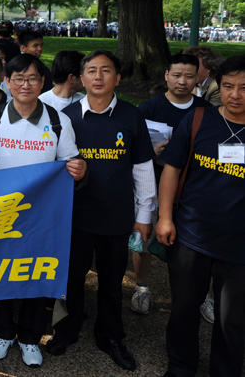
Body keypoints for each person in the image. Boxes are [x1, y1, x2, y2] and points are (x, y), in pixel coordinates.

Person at [48, 50, 156, 371]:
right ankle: (66, 329)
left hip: (116, 216)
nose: (98, 77)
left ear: (117, 78)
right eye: (91, 71)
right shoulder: (65, 116)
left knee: (111, 281)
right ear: (80, 79)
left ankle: (110, 335)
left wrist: (144, 217)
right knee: (71, 278)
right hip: (75, 216)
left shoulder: (131, 115)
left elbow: (142, 167)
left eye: (106, 70)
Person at [0, 54, 86, 369]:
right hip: (2, 214)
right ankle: (2, 331)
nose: (25, 85)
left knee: (36, 273)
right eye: (18, 79)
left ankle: (29, 336)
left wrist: (81, 169)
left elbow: (71, 162)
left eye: (33, 79)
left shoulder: (58, 120)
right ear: (7, 82)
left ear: (42, 83)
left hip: (43, 215)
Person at [157, 54, 245, 377]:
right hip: (191, 236)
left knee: (231, 318)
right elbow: (172, 169)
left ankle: (226, 370)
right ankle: (181, 366)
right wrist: (165, 218)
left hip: (238, 246)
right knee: (183, 308)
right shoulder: (198, 120)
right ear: (217, 87)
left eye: (244, 87)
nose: (235, 95)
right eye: (228, 86)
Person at [131, 53, 210, 315]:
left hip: (193, 188)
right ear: (166, 75)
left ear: (198, 77)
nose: (182, 81)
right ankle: (141, 286)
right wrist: (152, 153)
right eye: (176, 75)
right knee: (143, 235)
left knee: (200, 244)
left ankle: (206, 295)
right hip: (151, 183)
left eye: (189, 76)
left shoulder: (206, 111)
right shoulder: (148, 109)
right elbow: (132, 152)